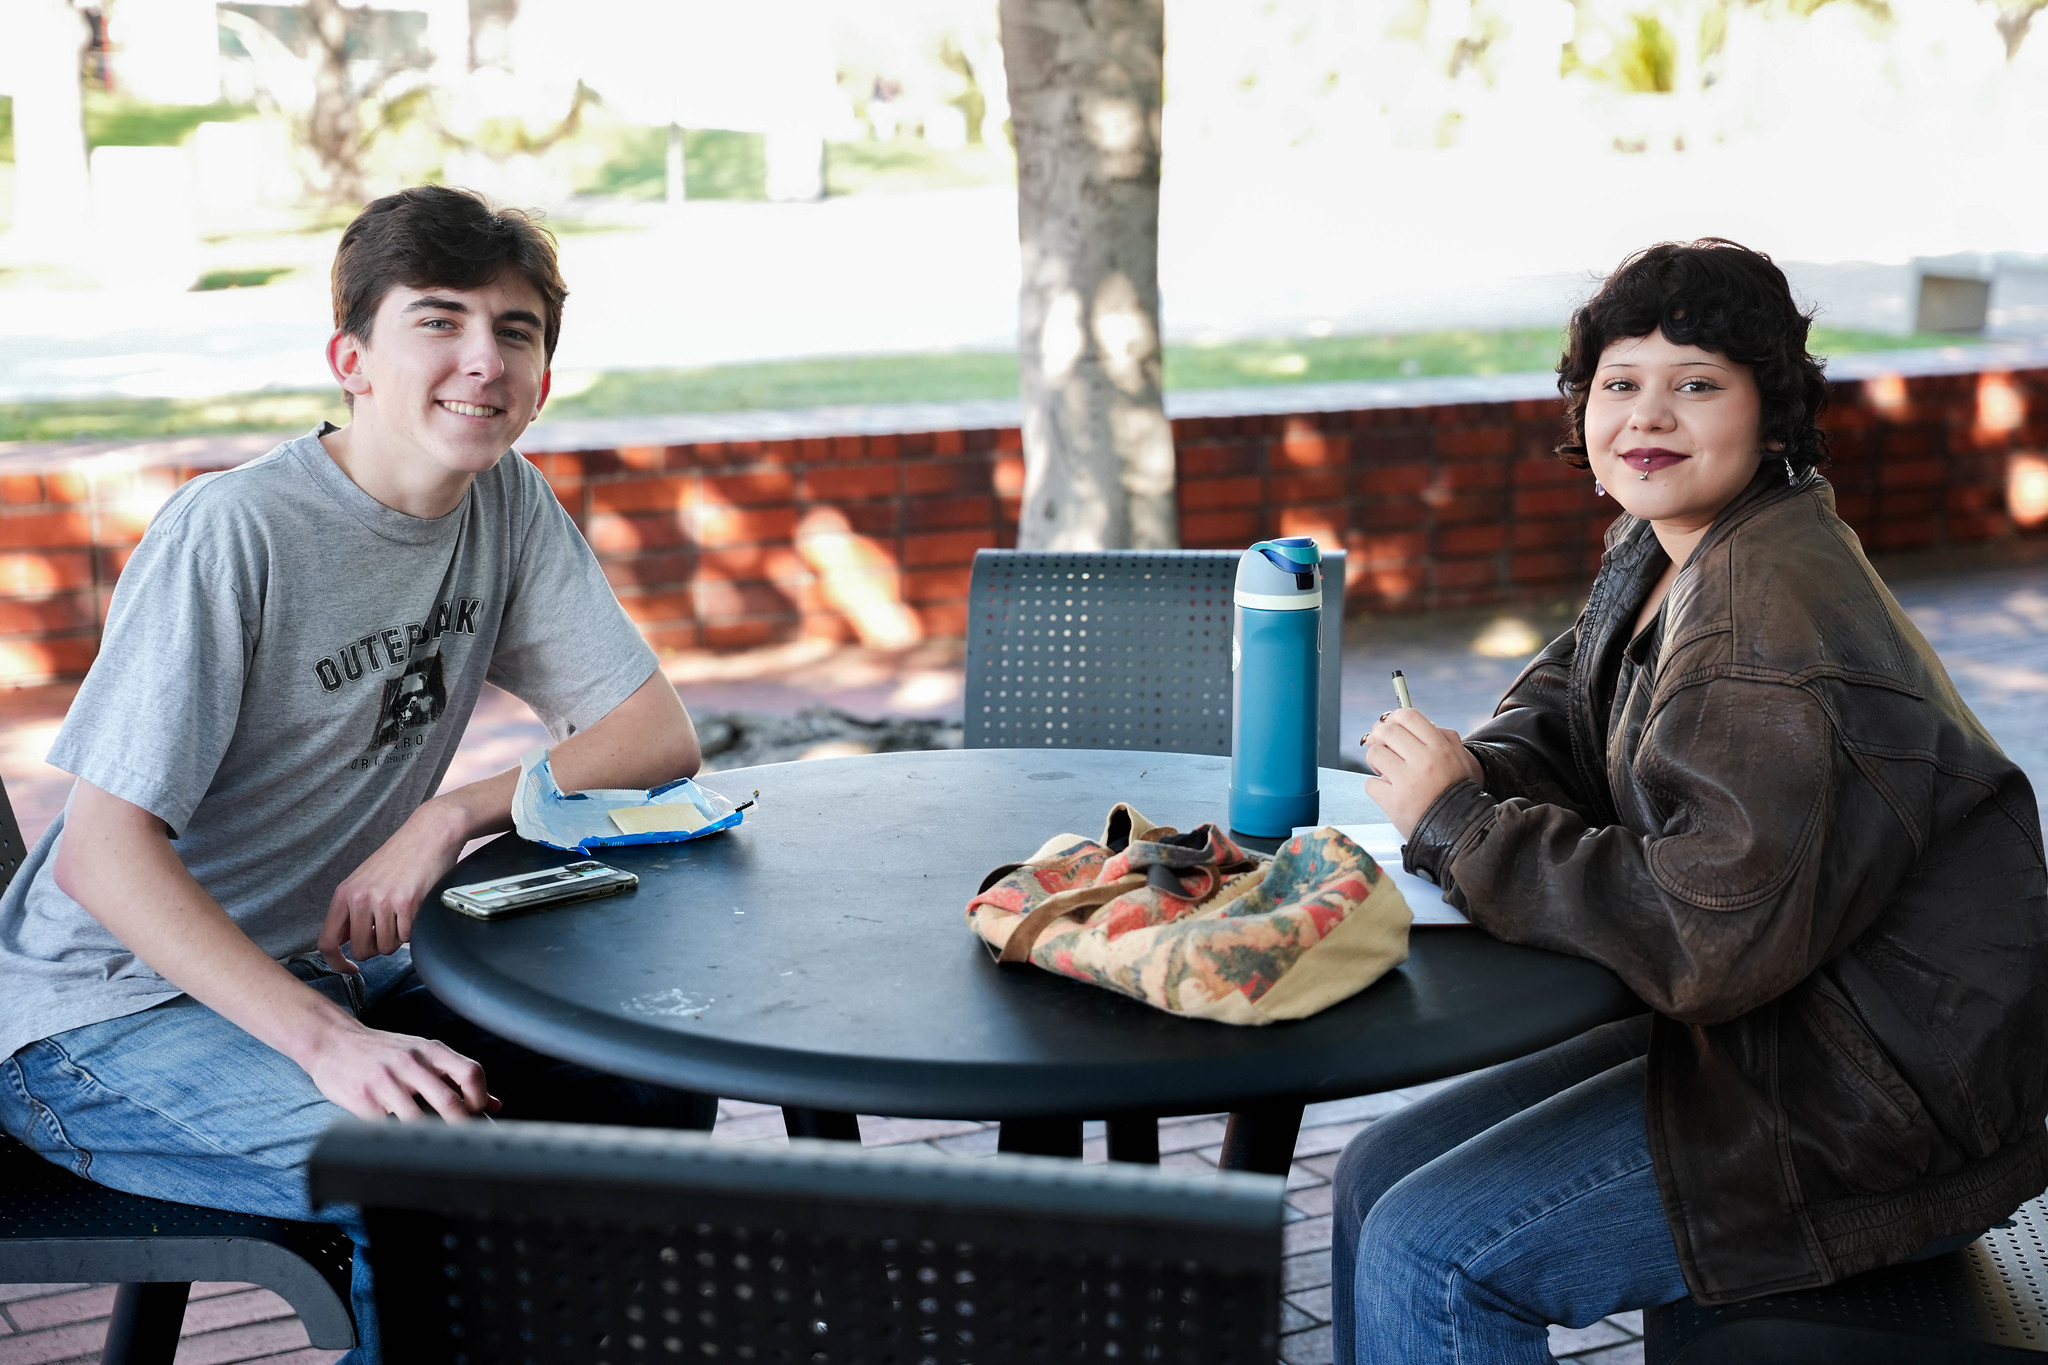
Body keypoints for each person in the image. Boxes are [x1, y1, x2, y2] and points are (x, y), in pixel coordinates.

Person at [0, 186, 717, 1364]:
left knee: (642, 1081)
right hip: (102, 1019)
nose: (482, 362)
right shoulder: (236, 532)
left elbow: (651, 736)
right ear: (353, 360)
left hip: (321, 971)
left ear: (541, 376)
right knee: (432, 1184)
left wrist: (451, 813)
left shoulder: (505, 504)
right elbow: (99, 855)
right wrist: (328, 1046)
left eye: (516, 332)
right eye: (438, 322)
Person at [1338, 239, 2048, 1364]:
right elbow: (1571, 709)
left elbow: (1704, 934)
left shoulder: (1762, 628)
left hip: (1873, 1097)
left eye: (1697, 383)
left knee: (1429, 1252)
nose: (1646, 416)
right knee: (1374, 1171)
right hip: (1784, 1031)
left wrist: (1460, 828)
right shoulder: (1673, 541)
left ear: (1772, 417)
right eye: (1618, 384)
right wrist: (1468, 776)